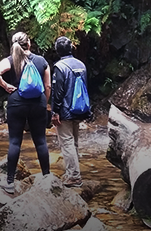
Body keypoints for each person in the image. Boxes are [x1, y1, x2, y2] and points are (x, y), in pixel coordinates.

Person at [0, 31, 51, 194]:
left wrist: (5, 86)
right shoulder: (41, 61)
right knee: (40, 141)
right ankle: (47, 179)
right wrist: (44, 102)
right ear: (29, 43)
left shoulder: (11, 60)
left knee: (15, 142)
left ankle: (9, 182)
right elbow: (48, 86)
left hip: (16, 102)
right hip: (38, 102)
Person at [51, 36, 90, 188]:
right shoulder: (81, 64)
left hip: (66, 110)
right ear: (71, 48)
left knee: (67, 143)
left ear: (57, 50)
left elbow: (58, 92)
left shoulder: (60, 67)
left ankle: (74, 176)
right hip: (79, 109)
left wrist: (55, 112)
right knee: (74, 142)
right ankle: (72, 172)